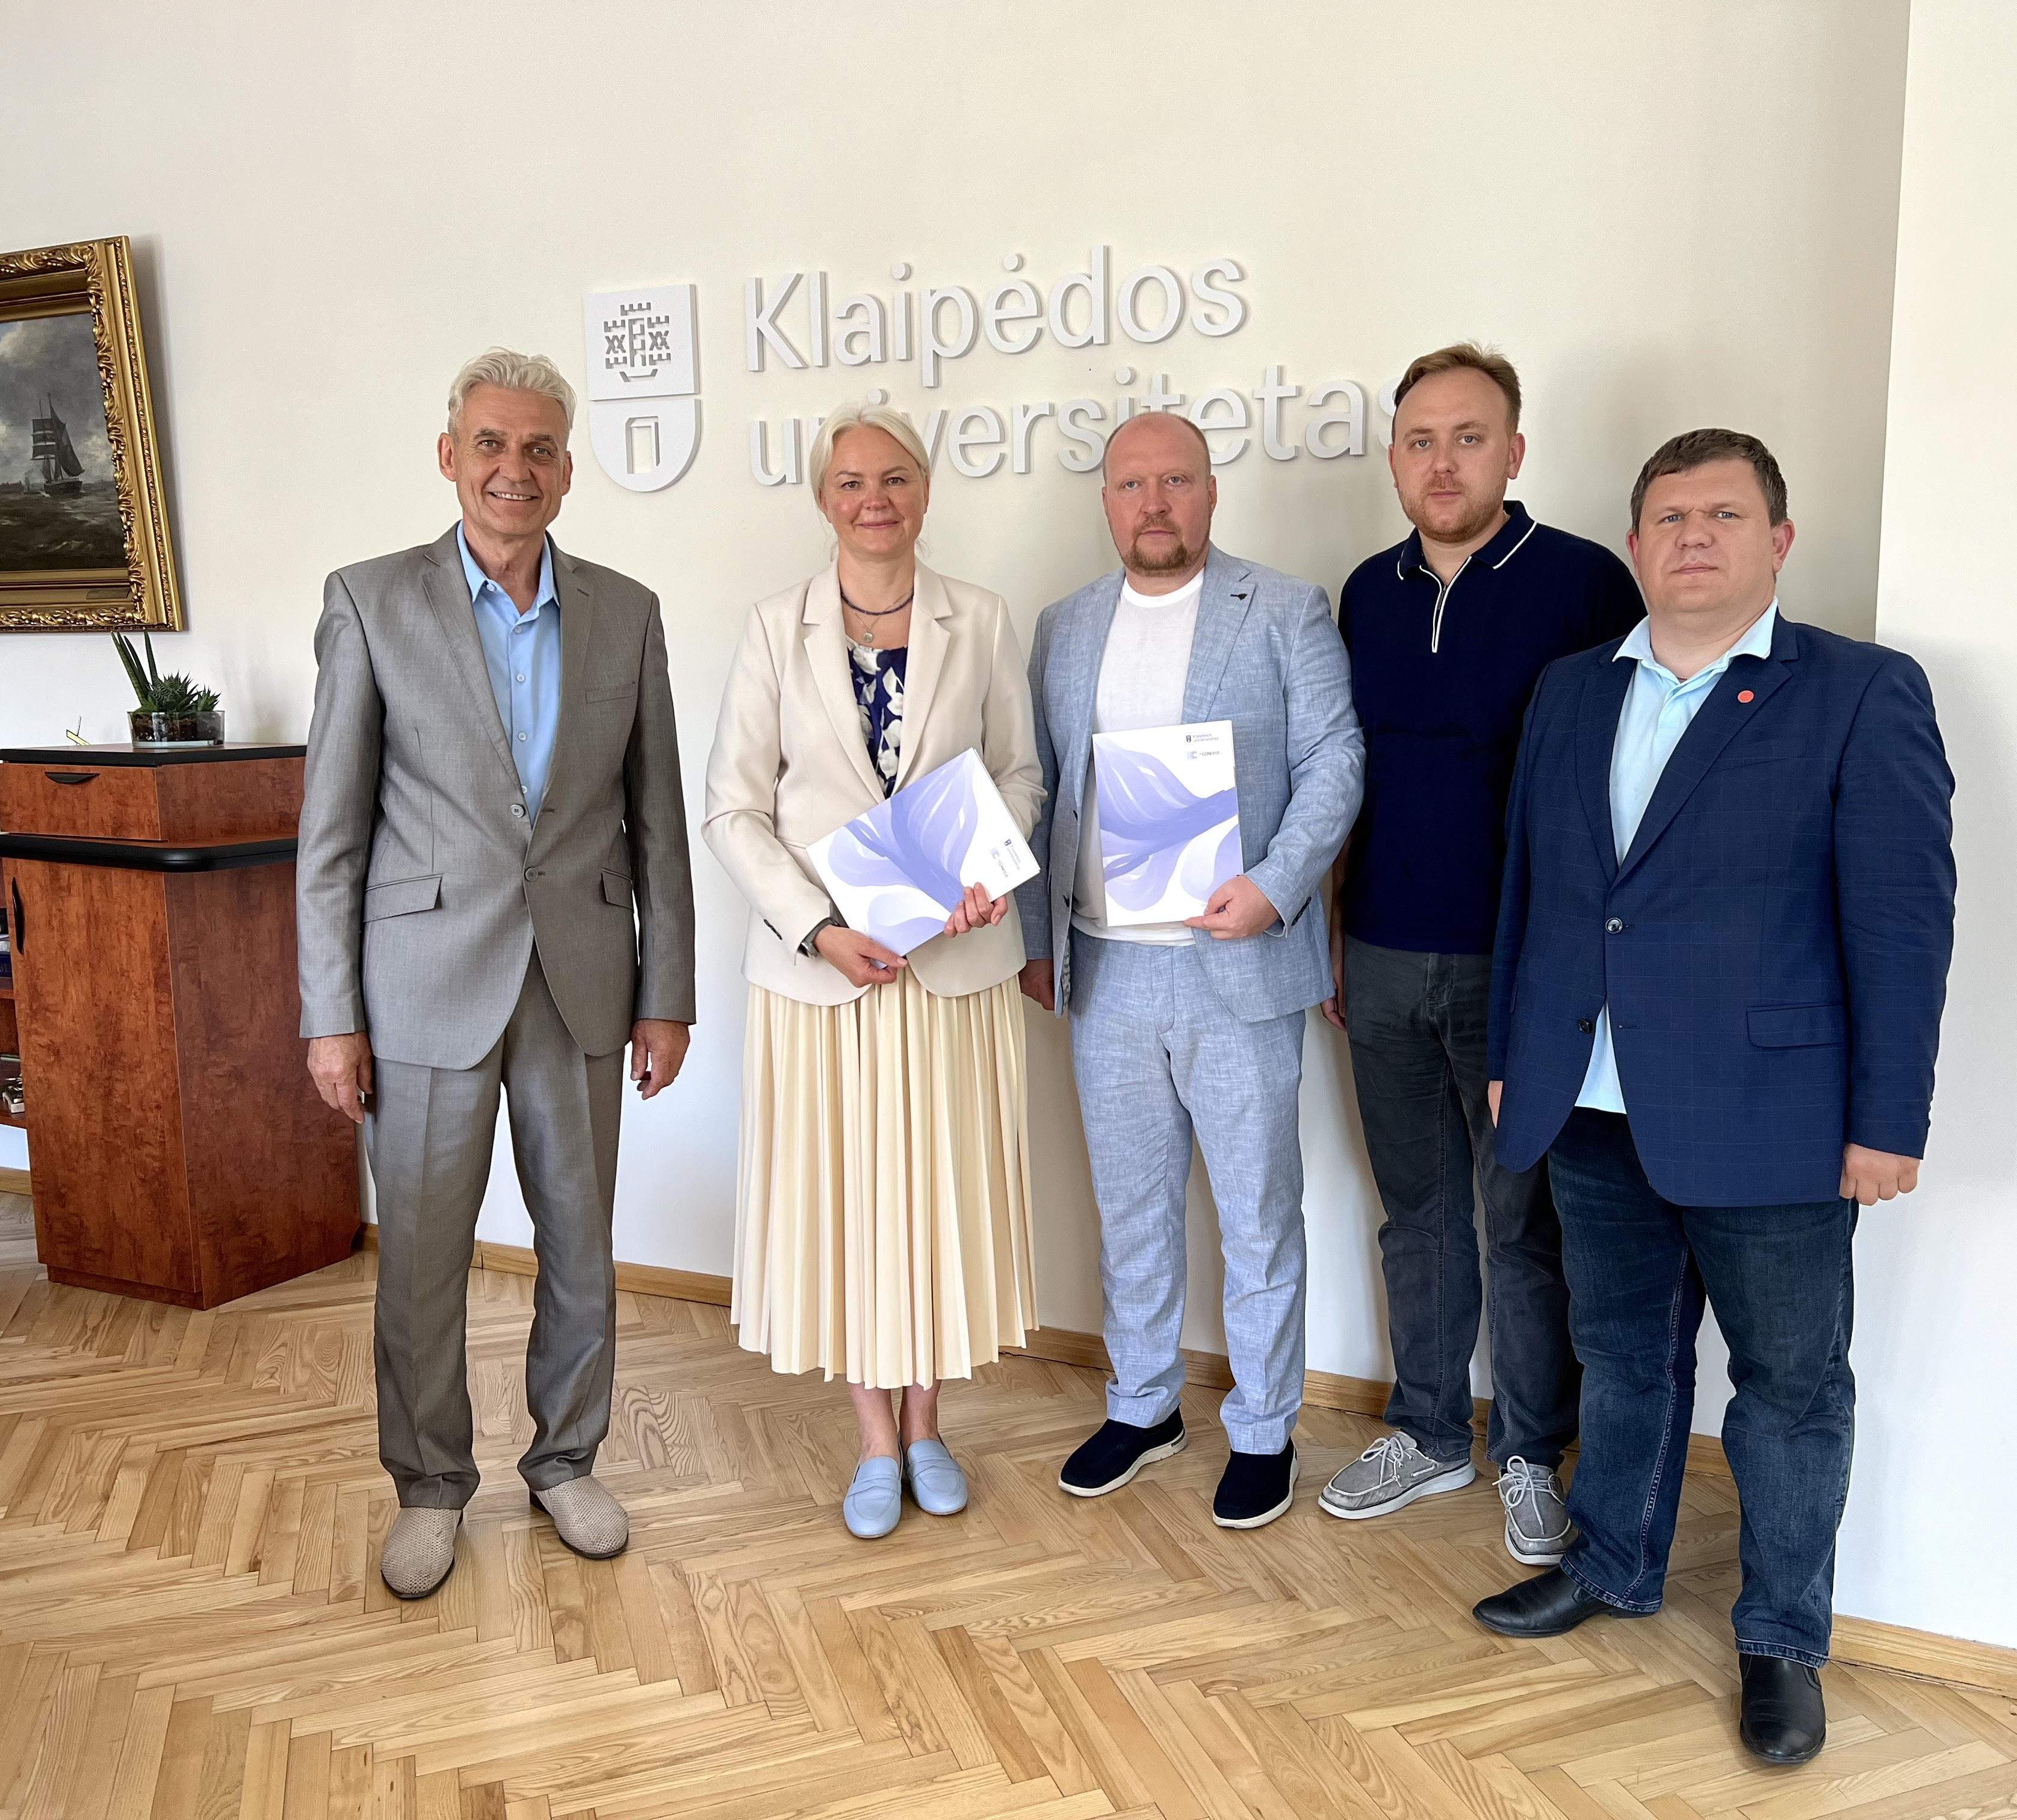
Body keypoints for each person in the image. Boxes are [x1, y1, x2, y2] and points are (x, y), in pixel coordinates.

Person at [1473, 429, 1956, 1765]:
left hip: (1775, 1119)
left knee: (1788, 1391)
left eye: (1725, 515)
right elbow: (1533, 893)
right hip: (1591, 1103)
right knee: (1624, 1357)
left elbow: (1903, 924)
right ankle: (1612, 1562)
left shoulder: (1859, 692)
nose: (1694, 536)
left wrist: (1887, 1121)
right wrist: (1516, 1050)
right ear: (1636, 546)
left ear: (1778, 541)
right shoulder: (1571, 691)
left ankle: (1782, 1638)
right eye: (1671, 517)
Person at [298, 348, 696, 1600]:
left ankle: (566, 1460)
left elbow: (659, 823)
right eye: (489, 444)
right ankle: (428, 1485)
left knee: (581, 1244)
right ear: (449, 456)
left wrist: (667, 992)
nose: (511, 469)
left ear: (567, 472)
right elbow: (331, 834)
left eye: (537, 450)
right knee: (421, 1258)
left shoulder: (627, 611)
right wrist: (330, 1015)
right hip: (421, 987)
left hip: (582, 978)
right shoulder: (371, 601)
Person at [1317, 343, 1641, 1562]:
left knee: (1525, 1224)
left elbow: (1623, 786)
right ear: (1395, 460)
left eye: (1468, 438)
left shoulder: (1586, 584)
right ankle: (1428, 1431)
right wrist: (1338, 934)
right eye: (1420, 440)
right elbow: (1349, 777)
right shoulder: (1367, 592)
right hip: (1383, 953)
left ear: (1514, 452)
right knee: (1416, 1213)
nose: (1442, 462)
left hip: (1525, 969)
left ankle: (1530, 1454)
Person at [702, 402, 1044, 1541]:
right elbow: (733, 809)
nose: (875, 499)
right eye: (851, 482)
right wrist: (817, 928)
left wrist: (989, 872)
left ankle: (930, 1425)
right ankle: (873, 1441)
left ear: (926, 491)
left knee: (936, 1197)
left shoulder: (980, 618)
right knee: (849, 1203)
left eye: (895, 477)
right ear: (823, 500)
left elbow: (1021, 777)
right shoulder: (774, 628)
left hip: (952, 969)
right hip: (825, 980)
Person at [1017, 409, 1363, 1531]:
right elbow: (1042, 789)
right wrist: (1037, 940)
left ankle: (1263, 1428)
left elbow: (1335, 759)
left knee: (1259, 1212)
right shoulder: (1066, 625)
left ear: (1211, 492)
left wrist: (1277, 883)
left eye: (1175, 481)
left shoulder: (1286, 609)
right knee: (1131, 1209)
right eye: (1132, 485)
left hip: (1238, 962)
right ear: (1106, 503)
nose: (1154, 503)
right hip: (1109, 970)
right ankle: (1144, 1405)